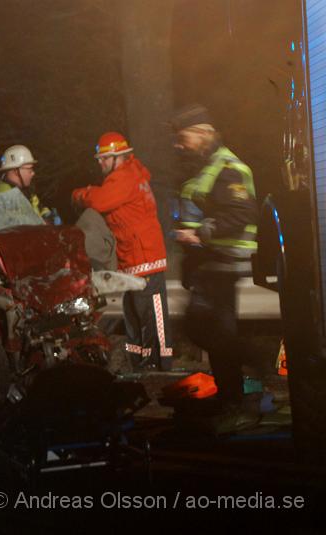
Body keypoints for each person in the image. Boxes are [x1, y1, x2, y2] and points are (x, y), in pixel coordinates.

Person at [170, 104, 260, 420]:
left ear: (203, 133)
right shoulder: (205, 167)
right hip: (209, 264)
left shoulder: (228, 167)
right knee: (210, 331)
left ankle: (252, 366)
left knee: (207, 328)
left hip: (225, 262)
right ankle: (230, 397)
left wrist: (202, 234)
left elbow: (243, 212)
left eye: (184, 138)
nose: (180, 145)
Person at [72, 132, 173, 371]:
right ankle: (139, 362)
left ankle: (158, 363)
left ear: (119, 157)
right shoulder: (129, 175)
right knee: (135, 314)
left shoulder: (124, 177)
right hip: (134, 258)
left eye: (105, 158)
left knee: (150, 314)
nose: (100, 163)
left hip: (144, 258)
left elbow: (98, 201)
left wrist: (79, 194)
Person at [0, 144, 57, 221]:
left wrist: (46, 215)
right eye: (29, 169)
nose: (33, 173)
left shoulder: (23, 188)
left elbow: (36, 206)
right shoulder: (4, 199)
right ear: (16, 171)